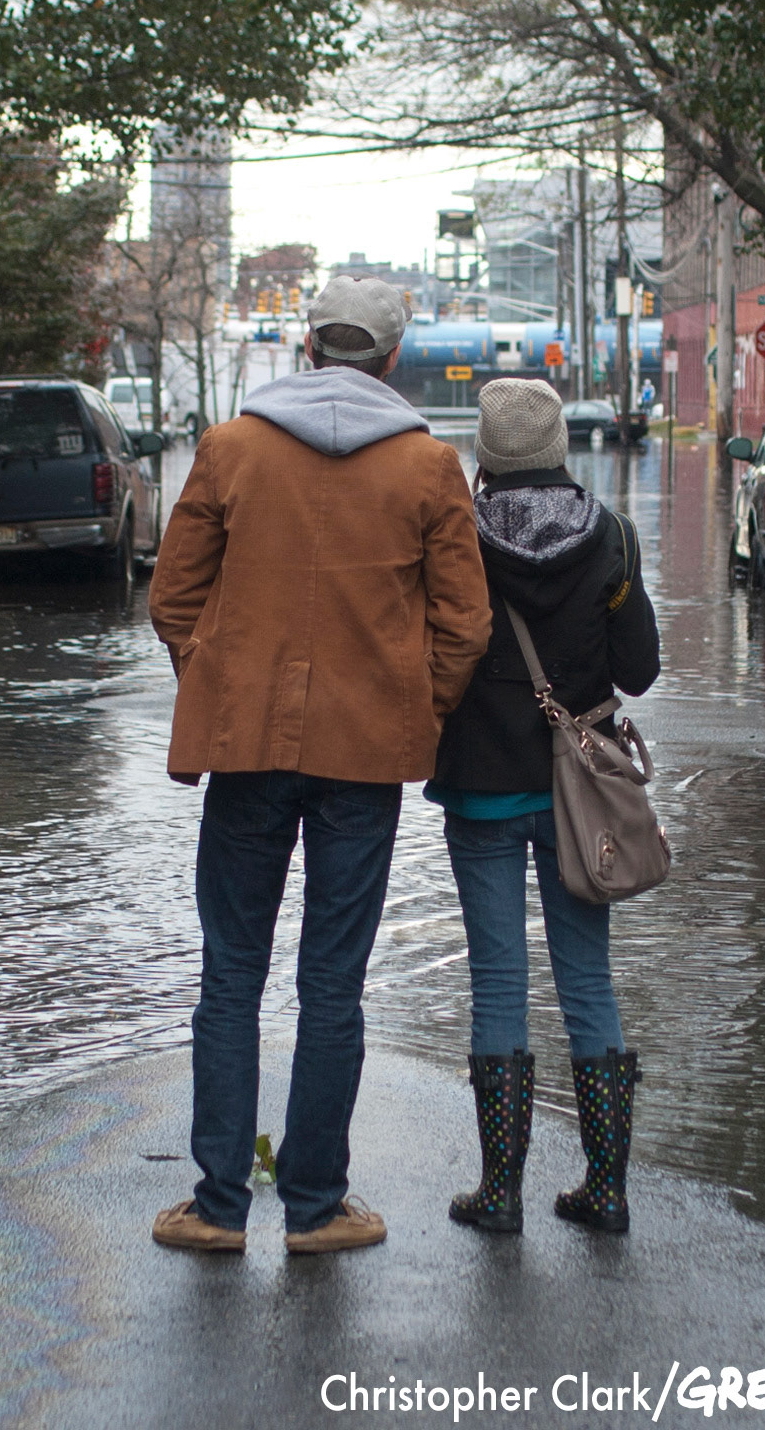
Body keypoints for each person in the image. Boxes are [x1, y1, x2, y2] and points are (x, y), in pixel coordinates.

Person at [147, 275, 491, 1257]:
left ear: (307, 346)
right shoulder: (428, 468)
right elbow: (464, 629)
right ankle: (314, 1208)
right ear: (392, 359)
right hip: (363, 760)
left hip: (245, 750)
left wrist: (220, 685)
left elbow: (173, 600)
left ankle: (216, 1207)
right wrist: (407, 709)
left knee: (231, 977)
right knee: (332, 986)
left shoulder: (231, 448)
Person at [425, 378, 660, 1236]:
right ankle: (606, 1189)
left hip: (483, 786)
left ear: (485, 455)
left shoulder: (458, 538)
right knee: (587, 980)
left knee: (498, 982)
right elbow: (640, 671)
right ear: (560, 447)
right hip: (580, 798)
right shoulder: (613, 541)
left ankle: (499, 1193)